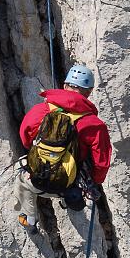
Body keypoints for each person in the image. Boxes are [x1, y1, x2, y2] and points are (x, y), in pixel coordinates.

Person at [14, 65, 112, 232]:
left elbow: (25, 137)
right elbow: (101, 163)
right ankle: (69, 199)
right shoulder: (94, 124)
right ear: (88, 92)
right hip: (70, 183)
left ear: (65, 86)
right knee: (75, 187)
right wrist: (94, 182)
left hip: (37, 179)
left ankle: (29, 220)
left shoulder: (41, 110)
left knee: (21, 178)